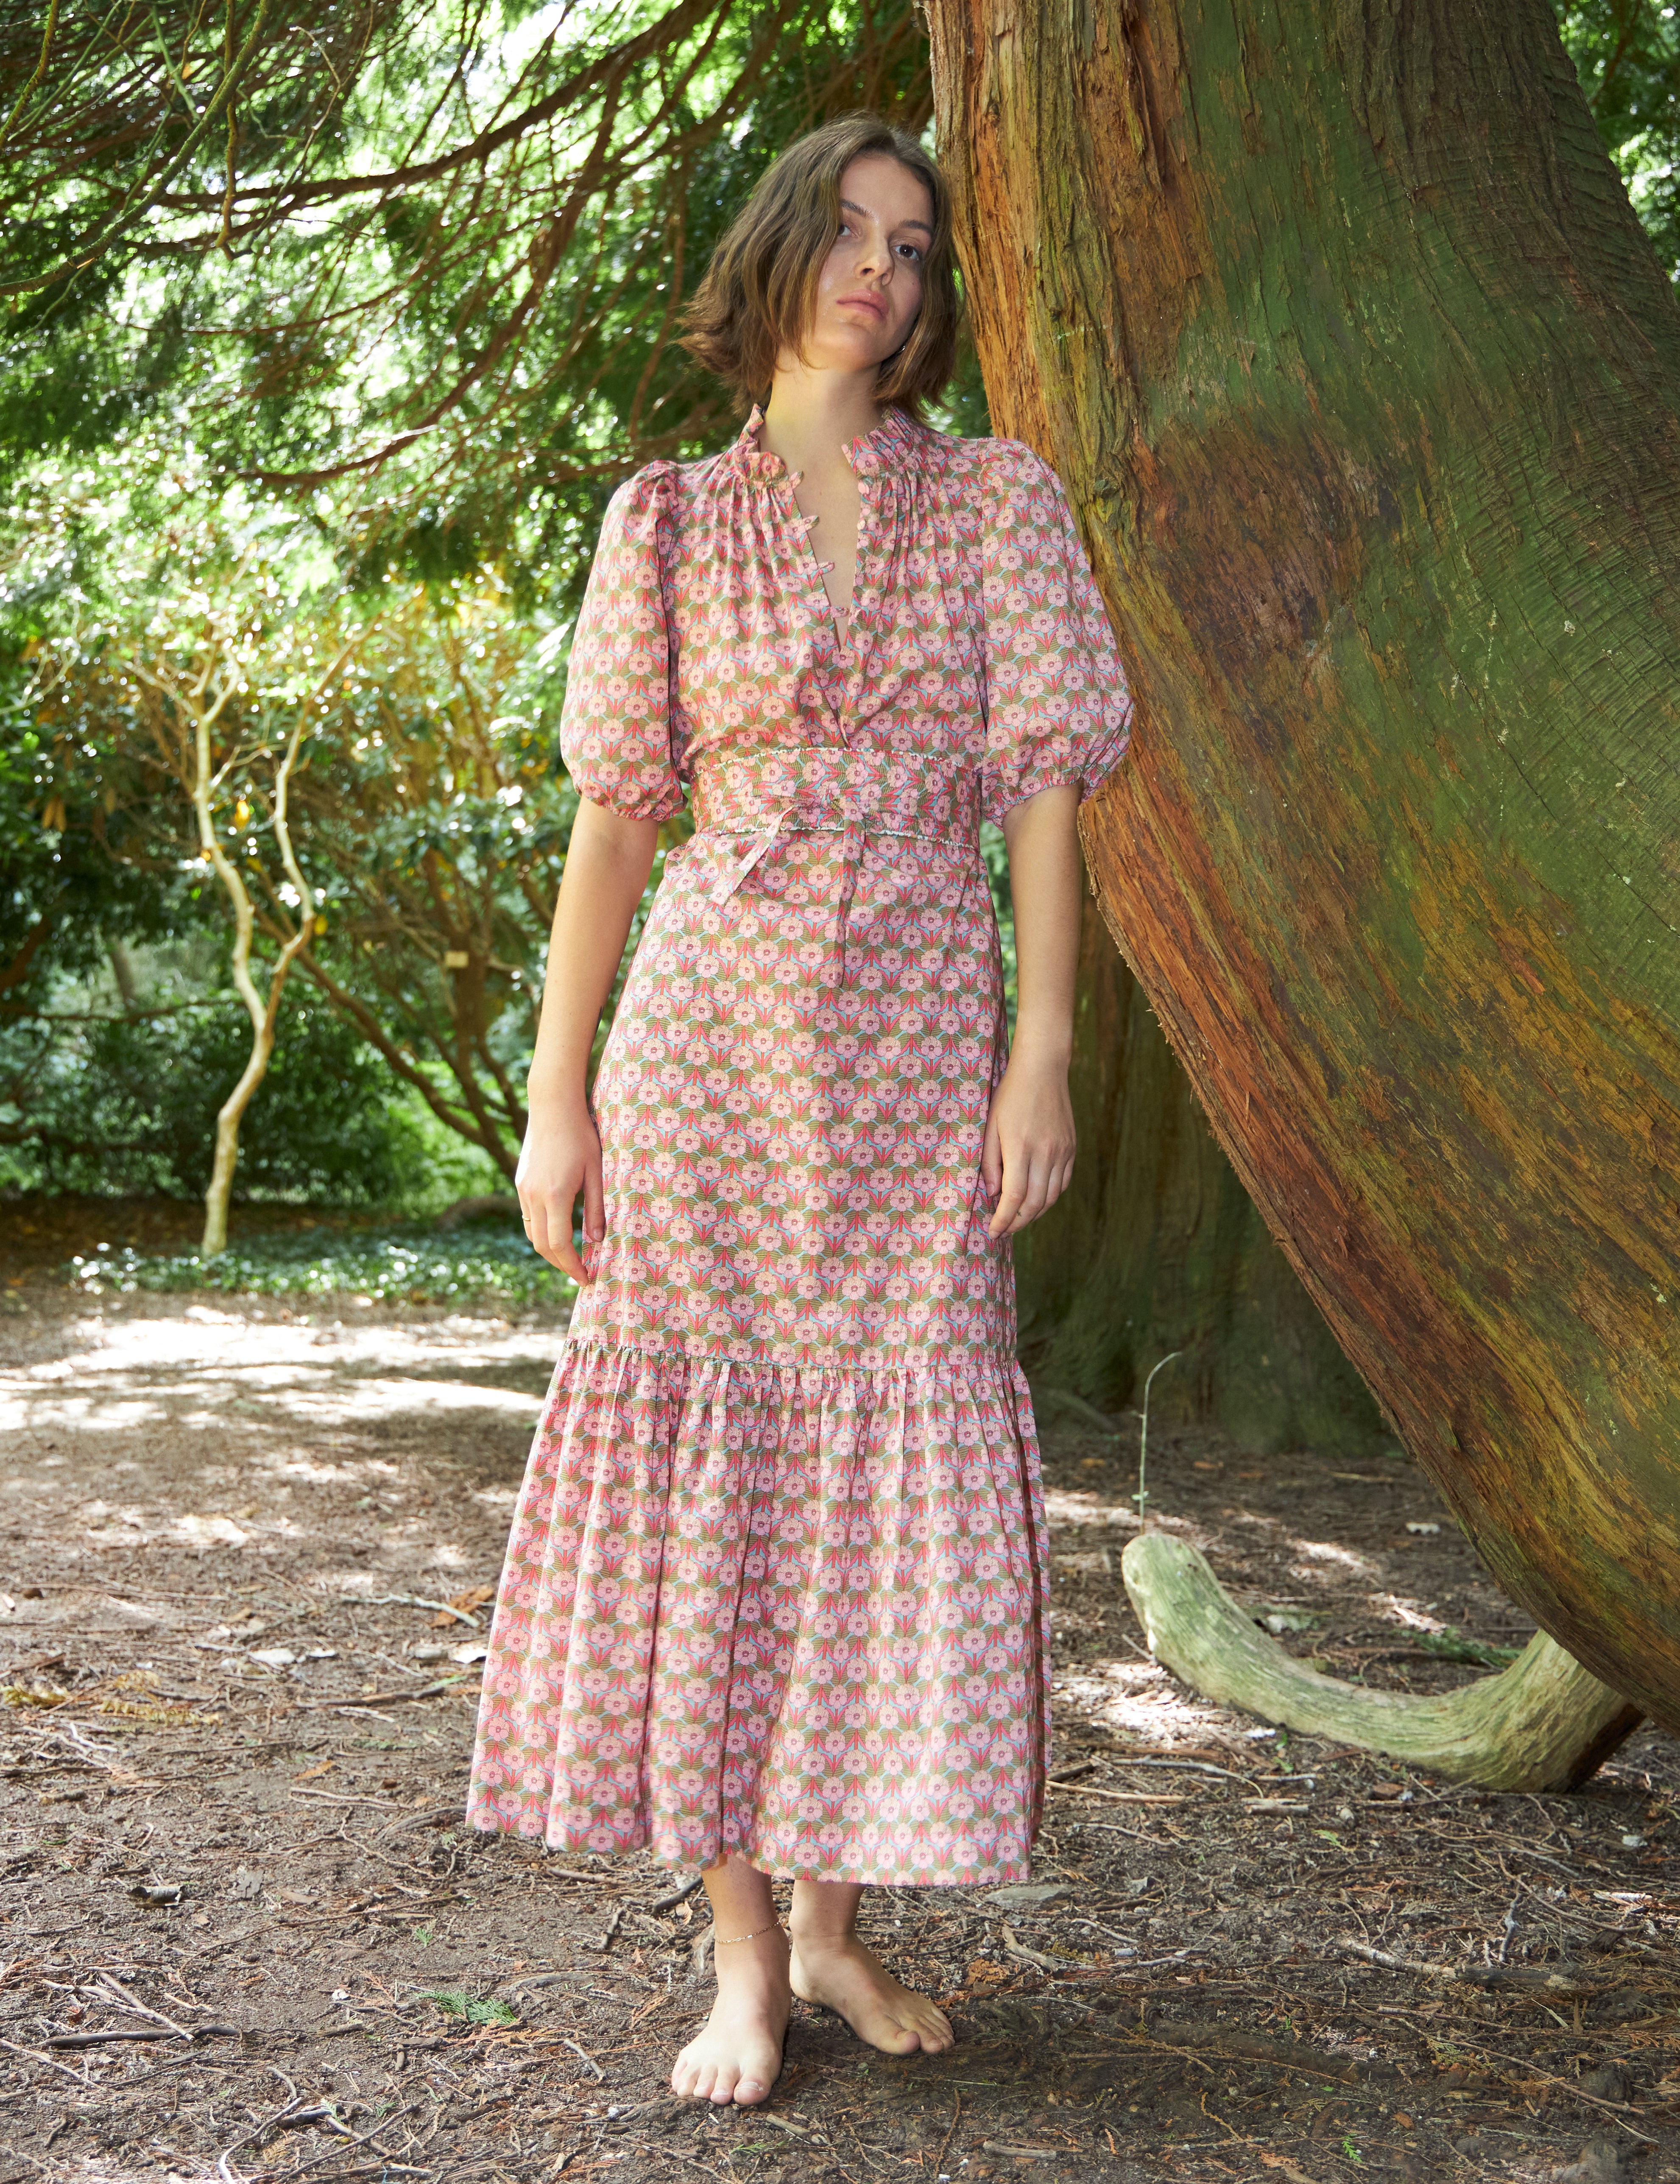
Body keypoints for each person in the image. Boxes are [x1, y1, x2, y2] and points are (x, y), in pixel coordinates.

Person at [466, 111, 1133, 2110]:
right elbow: (615, 817)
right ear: (777, 254)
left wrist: (1043, 1048)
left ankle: (842, 1922)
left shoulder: (1000, 503)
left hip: (923, 1034)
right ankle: (747, 1954)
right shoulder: (665, 519)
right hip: (708, 1051)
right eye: (847, 234)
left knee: (888, 1459)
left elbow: (1042, 789)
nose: (882, 269)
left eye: (914, 247)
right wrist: (554, 1089)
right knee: (717, 1480)